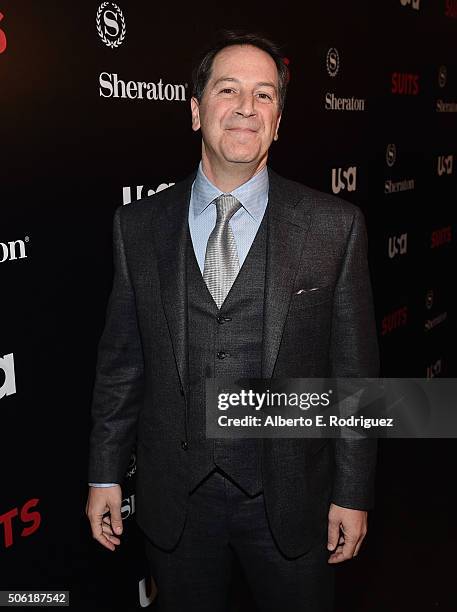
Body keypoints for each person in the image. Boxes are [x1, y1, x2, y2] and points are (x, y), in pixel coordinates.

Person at [86, 31, 379, 612]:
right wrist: (103, 473)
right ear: (196, 111)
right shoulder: (137, 227)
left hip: (291, 503)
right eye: (228, 90)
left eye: (265, 95)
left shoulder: (334, 227)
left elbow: (356, 379)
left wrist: (352, 491)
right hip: (178, 503)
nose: (247, 106)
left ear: (279, 121)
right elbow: (122, 364)